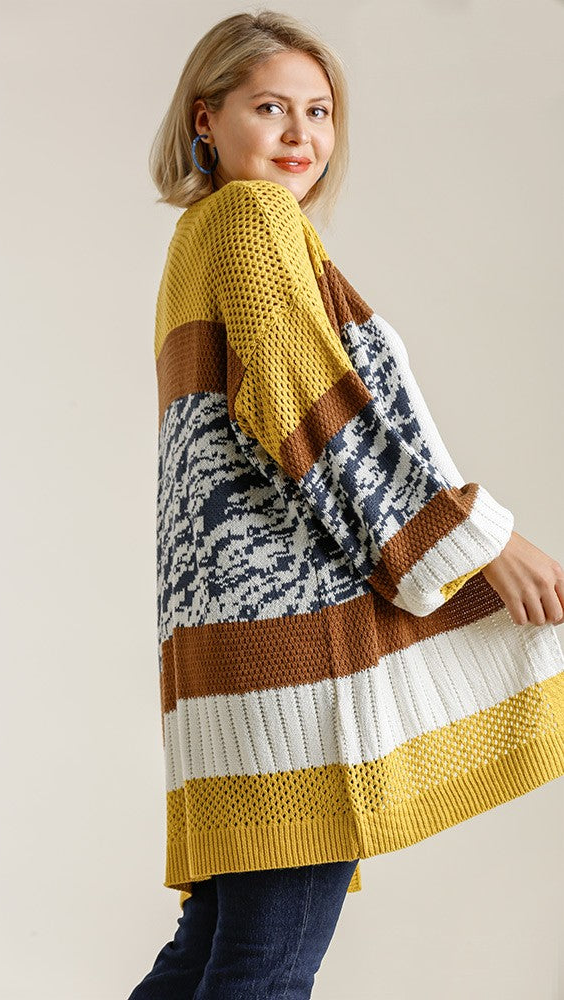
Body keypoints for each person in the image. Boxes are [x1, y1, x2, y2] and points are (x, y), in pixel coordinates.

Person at [130, 10, 564, 999]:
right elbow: (312, 417)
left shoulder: (198, 239)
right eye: (269, 108)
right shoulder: (250, 220)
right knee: (261, 972)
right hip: (291, 661)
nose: (301, 135)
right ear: (206, 119)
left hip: (225, 656)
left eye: (318, 111)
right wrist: (481, 540)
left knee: (209, 956)